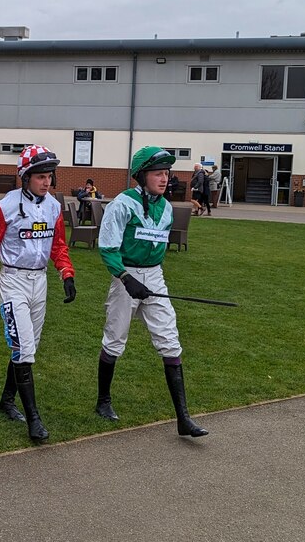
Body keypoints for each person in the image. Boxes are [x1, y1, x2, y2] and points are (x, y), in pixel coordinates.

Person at [95, 146, 208, 438]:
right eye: (158, 173)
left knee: (169, 340)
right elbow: (107, 247)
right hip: (125, 276)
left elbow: (157, 245)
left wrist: (150, 276)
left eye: (167, 173)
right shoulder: (122, 204)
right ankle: (103, 401)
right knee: (115, 338)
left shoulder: (167, 208)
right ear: (142, 175)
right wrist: (125, 277)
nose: (164, 178)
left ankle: (183, 418)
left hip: (155, 277)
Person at [0, 145, 76, 443]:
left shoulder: (54, 207)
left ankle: (7, 400)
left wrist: (66, 274)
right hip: (13, 281)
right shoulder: (4, 206)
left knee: (26, 346)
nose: (47, 183)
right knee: (25, 349)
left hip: (40, 281)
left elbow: (58, 245)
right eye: (41, 177)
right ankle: (34, 418)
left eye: (49, 177)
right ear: (25, 177)